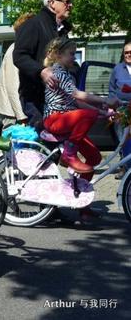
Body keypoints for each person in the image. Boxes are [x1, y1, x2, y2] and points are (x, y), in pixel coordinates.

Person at [42, 37, 119, 220]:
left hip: (67, 120)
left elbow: (76, 102)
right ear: (58, 54)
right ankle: (68, 155)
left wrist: (103, 113)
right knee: (88, 116)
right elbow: (78, 95)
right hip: (54, 119)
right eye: (71, 53)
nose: (74, 57)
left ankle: (82, 205)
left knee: (94, 157)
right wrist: (104, 101)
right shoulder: (56, 72)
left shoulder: (68, 74)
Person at [13, 0, 74, 131]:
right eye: (67, 1)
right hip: (36, 99)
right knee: (44, 146)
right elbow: (20, 56)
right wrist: (42, 70)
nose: (71, 5)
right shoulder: (33, 24)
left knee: (60, 145)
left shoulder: (62, 31)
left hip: (59, 99)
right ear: (52, 3)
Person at [0, 13, 34, 126]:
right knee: (13, 142)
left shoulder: (22, 48)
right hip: (10, 113)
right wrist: (21, 117)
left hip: (15, 111)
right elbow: (12, 85)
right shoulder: (16, 49)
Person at [108, 41, 131, 171]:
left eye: (130, 52)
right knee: (122, 139)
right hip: (121, 109)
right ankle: (124, 167)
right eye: (126, 52)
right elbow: (111, 90)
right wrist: (111, 109)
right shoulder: (117, 69)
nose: (128, 55)